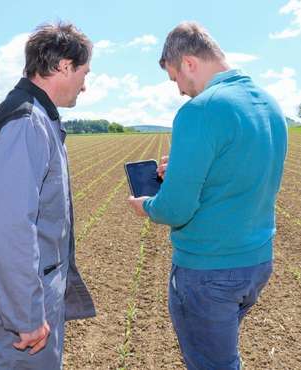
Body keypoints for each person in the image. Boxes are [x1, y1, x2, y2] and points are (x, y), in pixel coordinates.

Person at [128, 21, 287, 370]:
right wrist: (183, 168)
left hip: (209, 270)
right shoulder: (269, 103)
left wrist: (147, 207)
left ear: (188, 63)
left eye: (175, 79)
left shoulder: (201, 110)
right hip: (257, 262)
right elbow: (239, 169)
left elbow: (175, 209)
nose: (180, 91)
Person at [0, 22, 95, 370]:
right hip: (12, 324)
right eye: (84, 72)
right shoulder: (27, 121)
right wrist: (27, 314)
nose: (85, 85)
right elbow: (9, 226)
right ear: (64, 66)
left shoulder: (36, 116)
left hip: (20, 305)